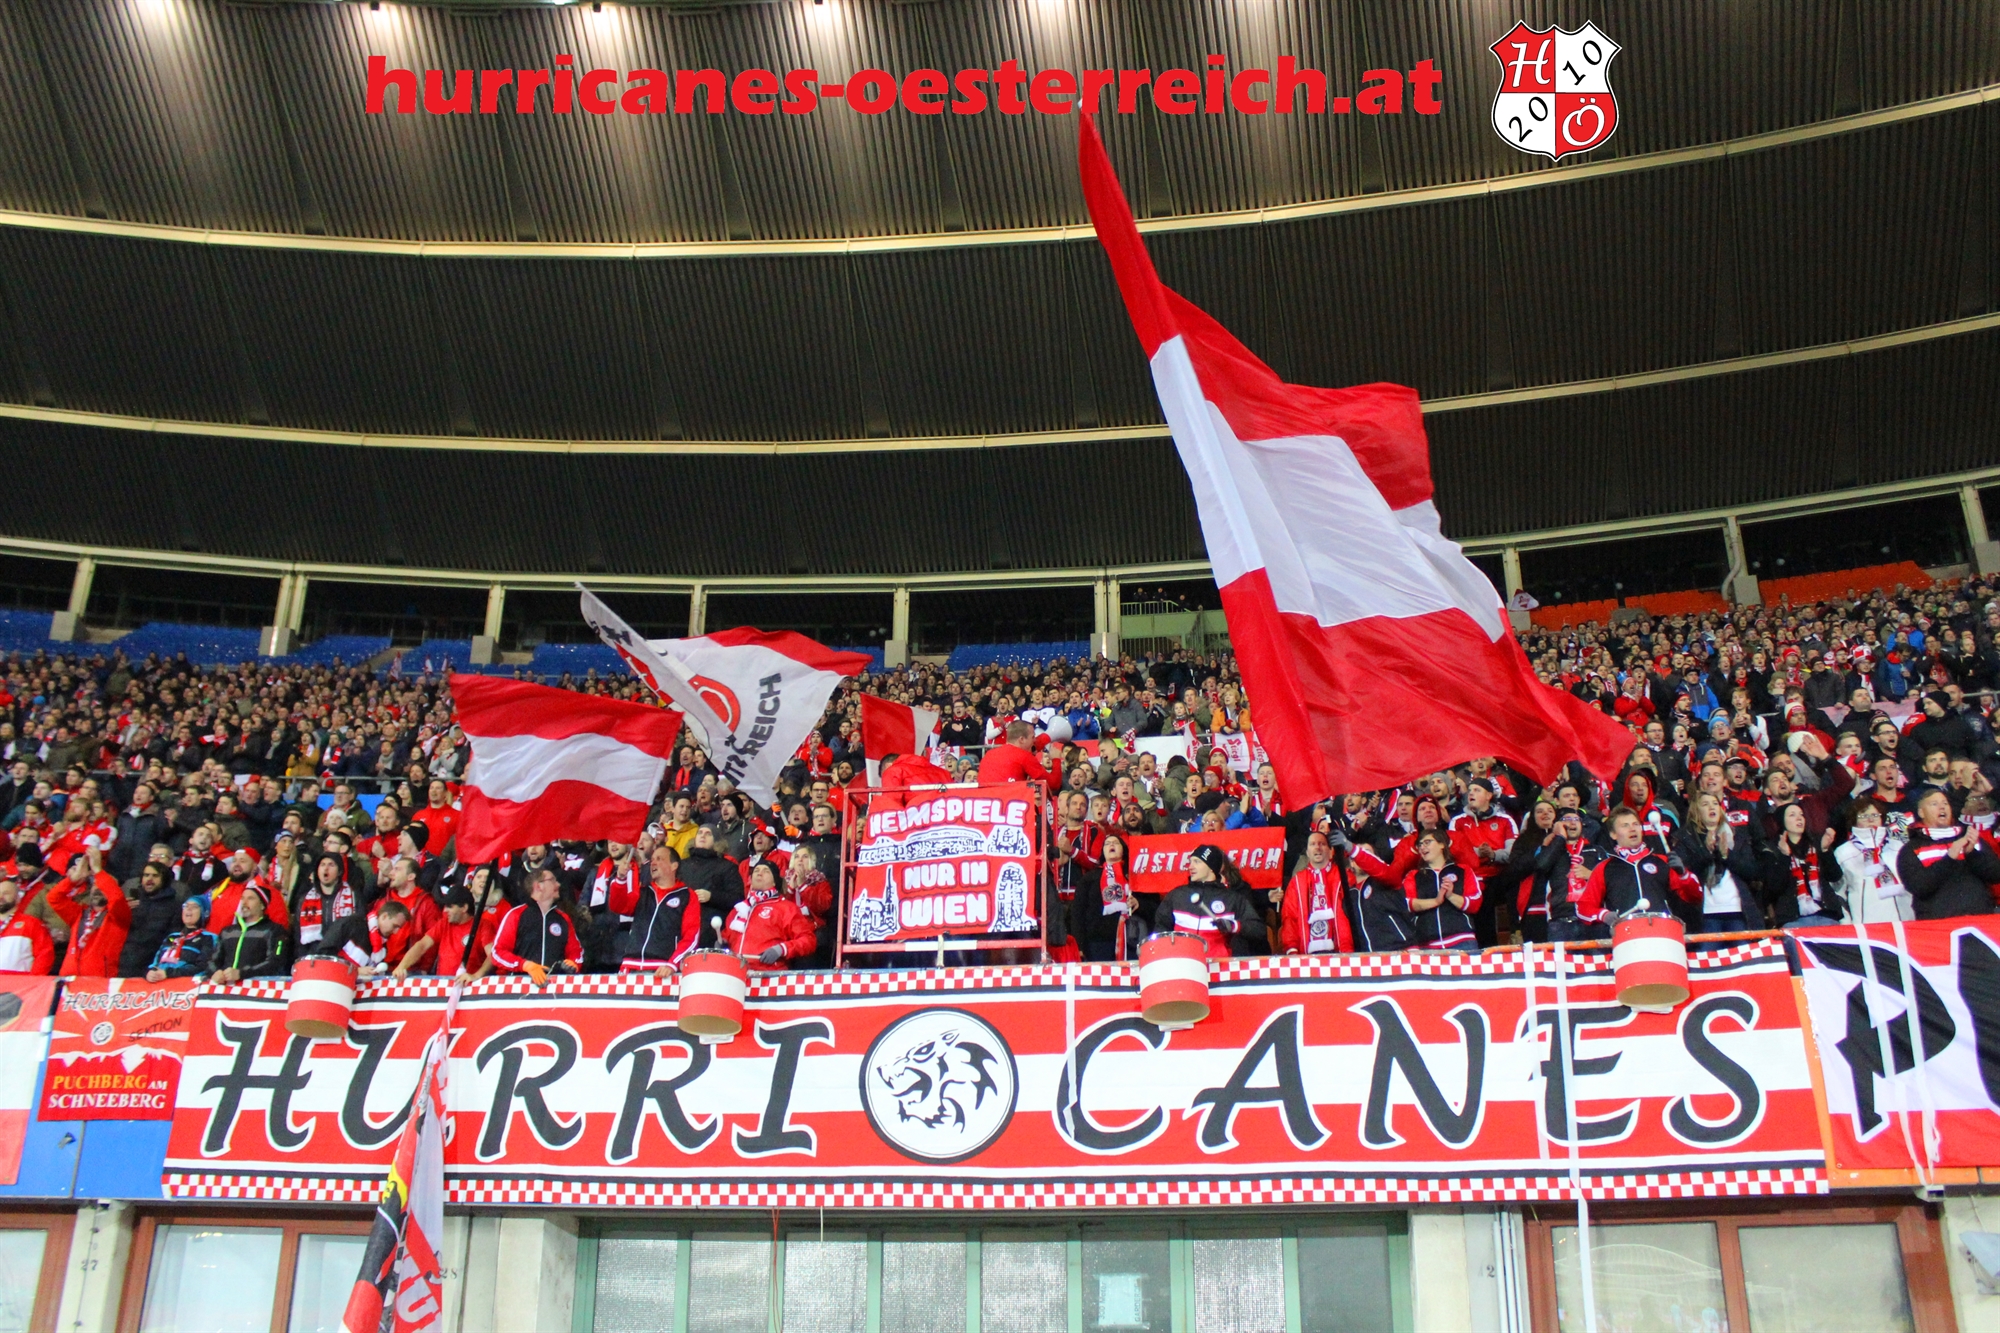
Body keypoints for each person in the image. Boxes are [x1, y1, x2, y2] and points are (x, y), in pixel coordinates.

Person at [1899, 789, 2000, 919]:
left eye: (1945, 803)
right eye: (1934, 804)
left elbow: (1995, 874)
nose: (1942, 807)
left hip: (1980, 921)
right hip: (1939, 926)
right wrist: (1949, 859)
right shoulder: (1911, 849)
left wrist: (1971, 853)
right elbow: (1919, 887)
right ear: (1921, 812)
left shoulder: (1970, 839)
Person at [1674, 792, 1766, 934]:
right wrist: (1706, 853)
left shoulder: (1738, 836)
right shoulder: (1685, 838)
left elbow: (1751, 871)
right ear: (1696, 811)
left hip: (1738, 910)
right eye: (1705, 804)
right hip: (1705, 913)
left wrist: (1726, 855)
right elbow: (1685, 875)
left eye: (1715, 803)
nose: (1712, 807)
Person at [1154, 844, 1265, 958]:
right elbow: (1161, 927)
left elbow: (1258, 929)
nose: (1190, 867)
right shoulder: (1177, 895)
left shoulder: (1232, 898)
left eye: (1197, 862)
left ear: (1211, 867)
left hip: (1218, 965)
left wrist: (1233, 926)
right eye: (1190, 862)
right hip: (1184, 963)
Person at [615, 845, 702, 976]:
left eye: (659, 859)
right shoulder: (642, 892)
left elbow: (691, 936)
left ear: (674, 866)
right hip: (630, 966)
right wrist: (620, 879)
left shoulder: (687, 896)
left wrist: (673, 964)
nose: (653, 863)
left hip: (662, 971)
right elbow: (619, 906)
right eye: (652, 859)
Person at [490, 867, 583, 981]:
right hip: (521, 985)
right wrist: (525, 965)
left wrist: (573, 963)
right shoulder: (516, 915)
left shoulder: (563, 918)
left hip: (555, 986)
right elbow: (497, 952)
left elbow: (576, 952)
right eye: (552, 880)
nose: (558, 884)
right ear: (538, 886)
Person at [47, 850, 129, 977]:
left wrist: (98, 871)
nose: (98, 889)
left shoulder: (119, 917)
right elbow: (54, 898)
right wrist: (72, 880)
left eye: (103, 886)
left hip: (99, 982)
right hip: (69, 979)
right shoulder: (79, 913)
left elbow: (116, 899)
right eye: (95, 885)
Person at [724, 861, 818, 971]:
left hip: (769, 975)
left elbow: (808, 940)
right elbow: (727, 936)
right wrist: (722, 942)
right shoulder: (740, 909)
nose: (759, 873)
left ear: (774, 882)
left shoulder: (786, 908)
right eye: (756, 871)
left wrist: (781, 949)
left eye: (766, 871)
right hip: (736, 974)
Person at [1833, 800, 1913, 923]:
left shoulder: (1898, 847)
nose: (1871, 820)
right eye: (1864, 816)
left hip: (1904, 922)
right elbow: (1838, 893)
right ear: (1854, 820)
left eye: (1875, 815)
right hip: (1866, 925)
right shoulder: (1844, 852)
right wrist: (1846, 923)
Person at [1764, 802, 1842, 928]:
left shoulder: (1816, 842)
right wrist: (1784, 856)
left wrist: (1825, 851)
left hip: (1826, 915)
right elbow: (1774, 888)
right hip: (1794, 920)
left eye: (1801, 814)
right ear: (1782, 821)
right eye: (1792, 815)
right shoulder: (1772, 849)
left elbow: (1835, 876)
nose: (1799, 818)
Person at [1406, 828, 1482, 951]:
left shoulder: (1463, 870)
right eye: (1420, 844)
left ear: (1442, 844)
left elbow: (1475, 902)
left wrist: (1451, 896)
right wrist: (1435, 901)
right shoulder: (1413, 875)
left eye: (1427, 842)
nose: (1422, 847)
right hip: (1427, 944)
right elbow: (1406, 903)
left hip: (1462, 940)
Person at [1277, 831, 1352, 955]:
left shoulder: (1345, 877)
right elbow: (1289, 918)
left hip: (1342, 953)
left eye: (1322, 843)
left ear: (1331, 851)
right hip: (1306, 956)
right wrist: (1292, 949)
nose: (1317, 847)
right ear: (1307, 853)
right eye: (1312, 844)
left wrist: (1348, 951)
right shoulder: (1297, 881)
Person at [212, 882, 291, 982]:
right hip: (225, 988)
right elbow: (213, 960)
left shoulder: (275, 930)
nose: (244, 903)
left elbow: (275, 962)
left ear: (262, 905)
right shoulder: (227, 931)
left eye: (250, 898)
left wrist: (241, 973)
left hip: (257, 988)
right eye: (242, 898)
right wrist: (215, 972)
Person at [118, 861, 182, 978]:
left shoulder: (174, 906)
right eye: (146, 875)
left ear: (164, 879)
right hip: (124, 964)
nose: (149, 879)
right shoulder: (131, 903)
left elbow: (173, 938)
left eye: (155, 875)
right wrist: (122, 910)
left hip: (152, 966)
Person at [145, 894, 217, 981]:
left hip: (186, 985)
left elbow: (202, 967)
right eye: (186, 906)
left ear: (205, 913)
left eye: (194, 907)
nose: (189, 909)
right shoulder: (172, 936)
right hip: (159, 984)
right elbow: (156, 962)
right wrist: (151, 972)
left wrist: (168, 973)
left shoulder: (209, 938)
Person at [433, 887, 497, 980]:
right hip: (444, 984)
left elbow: (493, 954)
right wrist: (407, 964)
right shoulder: (444, 923)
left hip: (470, 985)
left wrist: (476, 975)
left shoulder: (483, 925)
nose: (445, 910)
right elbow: (422, 945)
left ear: (464, 908)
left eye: (450, 906)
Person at [0, 876, 54, 974]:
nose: (0, 897)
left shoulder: (32, 923)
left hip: (19, 983)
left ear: (18, 898)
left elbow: (45, 955)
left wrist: (33, 980)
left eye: (6, 893)